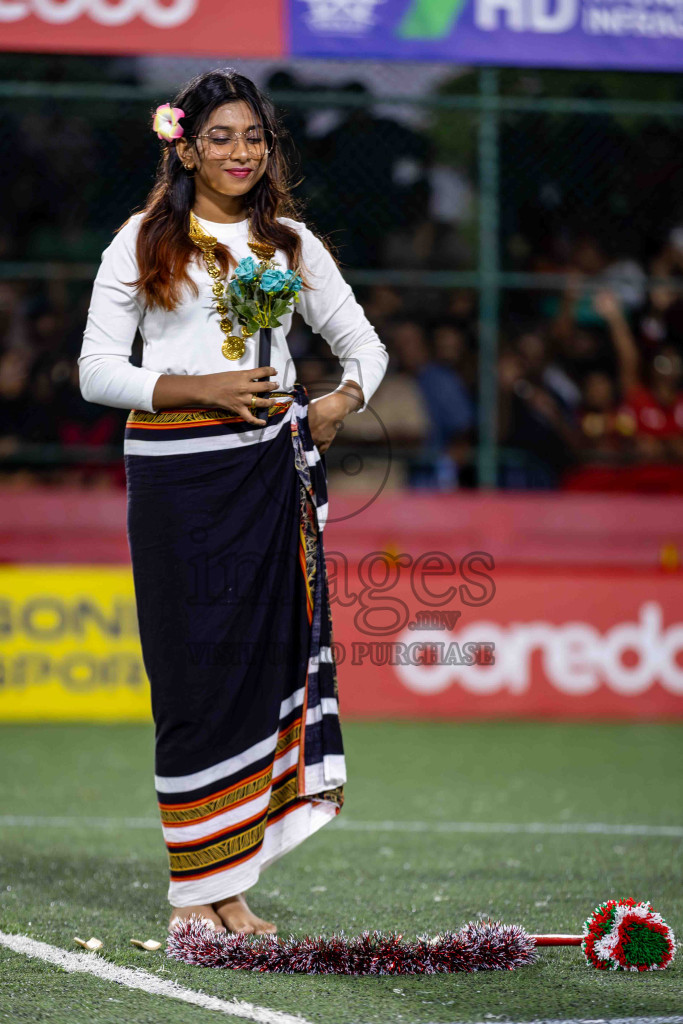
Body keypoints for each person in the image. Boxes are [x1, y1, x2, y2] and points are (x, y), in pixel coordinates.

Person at [78, 68, 388, 936]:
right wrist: (197, 385)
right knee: (191, 673)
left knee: (257, 669)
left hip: (268, 475)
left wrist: (335, 402)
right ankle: (193, 894)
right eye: (219, 136)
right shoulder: (143, 238)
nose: (240, 152)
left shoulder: (290, 243)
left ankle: (231, 885)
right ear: (183, 144)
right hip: (178, 474)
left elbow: (364, 347)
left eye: (254, 137)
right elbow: (95, 372)